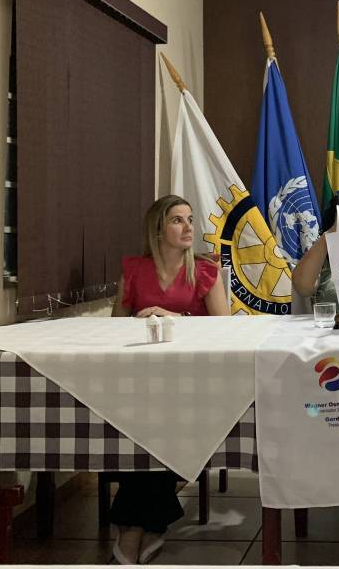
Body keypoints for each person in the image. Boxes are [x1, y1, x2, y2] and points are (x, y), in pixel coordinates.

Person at [109, 195, 230, 564]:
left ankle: (132, 526)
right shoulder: (134, 270)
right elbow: (113, 328)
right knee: (135, 423)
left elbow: (227, 331)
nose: (189, 227)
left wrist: (173, 317)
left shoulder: (205, 271)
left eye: (190, 219)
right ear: (158, 229)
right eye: (178, 220)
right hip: (142, 378)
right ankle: (152, 524)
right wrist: (138, 321)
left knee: (161, 423)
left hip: (191, 381)